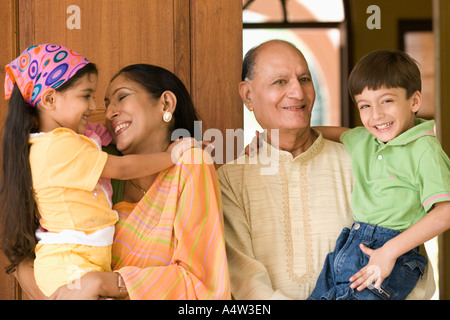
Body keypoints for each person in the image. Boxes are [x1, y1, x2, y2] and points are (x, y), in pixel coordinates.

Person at [217, 39, 435, 299]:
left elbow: (406, 257)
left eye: (305, 79)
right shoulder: (230, 179)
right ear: (248, 95)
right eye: (280, 82)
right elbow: (243, 279)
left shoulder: (362, 160)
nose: (298, 93)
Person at [11, 63, 231, 300]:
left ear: (166, 104)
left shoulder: (189, 165)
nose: (108, 113)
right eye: (106, 104)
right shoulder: (99, 170)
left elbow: (202, 282)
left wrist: (107, 283)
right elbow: (20, 249)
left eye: (122, 97)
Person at [308, 50, 450, 300]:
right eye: (365, 105)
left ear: (414, 102)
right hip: (351, 243)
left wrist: (390, 251)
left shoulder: (424, 149)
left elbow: (446, 211)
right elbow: (324, 132)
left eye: (386, 101)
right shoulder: (363, 139)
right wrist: (272, 137)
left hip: (397, 253)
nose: (376, 115)